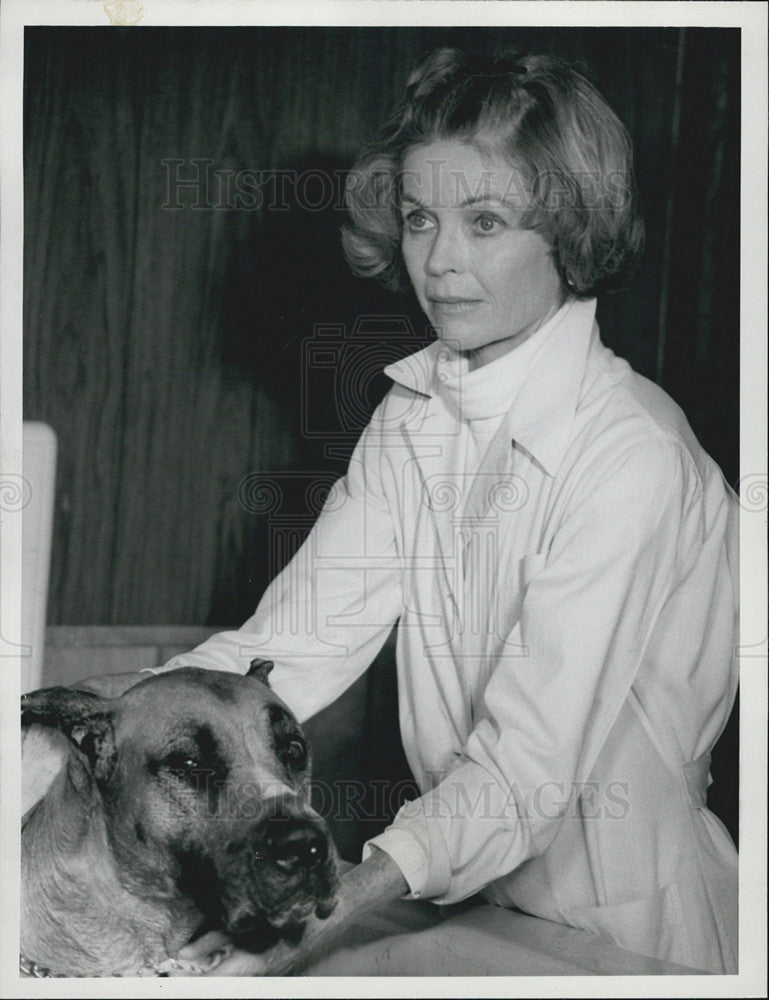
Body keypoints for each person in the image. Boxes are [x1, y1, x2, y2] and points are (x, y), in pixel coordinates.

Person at [83, 49, 742, 974]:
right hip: (469, 899)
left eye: (484, 222)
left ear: (567, 229)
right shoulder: (414, 412)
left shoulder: (631, 453)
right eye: (421, 218)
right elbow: (287, 649)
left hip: (633, 930)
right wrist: (76, 733)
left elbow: (525, 771)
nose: (438, 261)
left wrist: (343, 894)